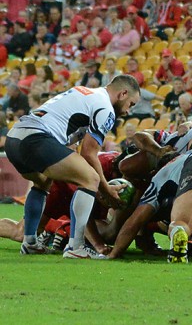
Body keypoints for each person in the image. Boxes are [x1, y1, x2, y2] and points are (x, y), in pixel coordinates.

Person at [5, 75, 140, 258]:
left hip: (14, 138)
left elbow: (69, 144)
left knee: (43, 182)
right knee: (90, 179)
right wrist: (106, 189)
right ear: (123, 93)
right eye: (131, 104)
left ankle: (30, 242)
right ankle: (76, 247)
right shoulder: (106, 108)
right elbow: (89, 153)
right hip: (36, 138)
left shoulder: (84, 93)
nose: (128, 111)